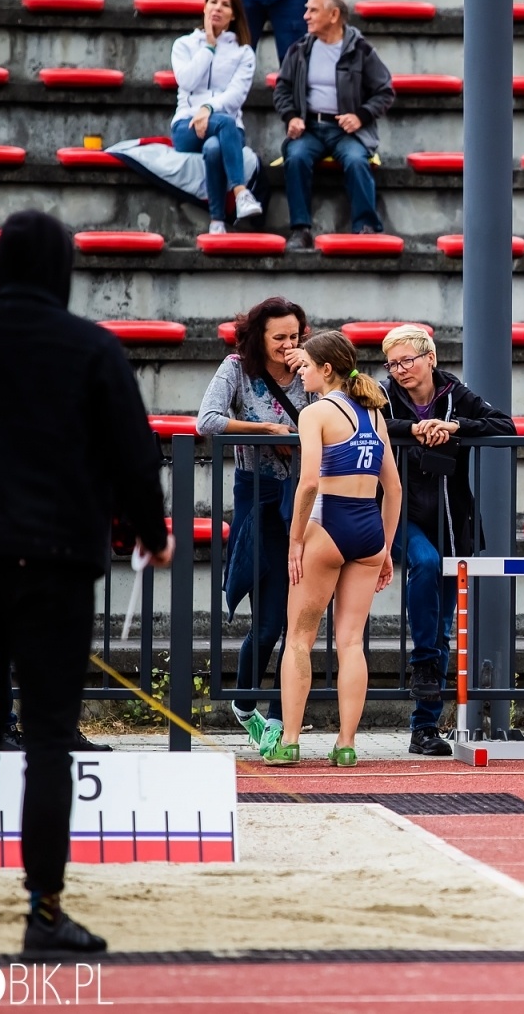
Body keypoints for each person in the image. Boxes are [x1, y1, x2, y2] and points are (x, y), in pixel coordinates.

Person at [0, 210, 173, 955]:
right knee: (49, 737)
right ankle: (44, 913)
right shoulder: (91, 347)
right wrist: (151, 532)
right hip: (56, 563)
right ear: (62, 267)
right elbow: (134, 459)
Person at [265, 331, 402, 766]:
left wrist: (295, 540)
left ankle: (289, 741)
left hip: (328, 526)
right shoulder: (375, 411)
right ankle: (346, 745)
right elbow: (393, 488)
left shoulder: (317, 412)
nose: (298, 371)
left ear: (326, 369)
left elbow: (307, 483)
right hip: (368, 530)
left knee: (300, 640)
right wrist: (387, 548)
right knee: (351, 642)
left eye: (304, 364)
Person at [378, 325, 516, 756]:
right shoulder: (381, 396)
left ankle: (424, 729)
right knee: (422, 561)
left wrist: (453, 426)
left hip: (452, 519)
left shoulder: (456, 392)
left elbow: (505, 425)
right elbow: (366, 420)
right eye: (393, 363)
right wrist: (413, 429)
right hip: (399, 512)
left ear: (430, 358)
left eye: (407, 360)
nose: (400, 370)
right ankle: (422, 667)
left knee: (439, 624)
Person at [197, 297, 311, 754]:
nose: (288, 345)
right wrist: (265, 433)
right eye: (279, 337)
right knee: (266, 623)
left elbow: (344, 409)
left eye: (295, 337)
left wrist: (314, 372)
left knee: (296, 620)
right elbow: (207, 420)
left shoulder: (310, 368)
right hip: (258, 492)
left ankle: (284, 724)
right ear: (258, 337)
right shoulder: (236, 368)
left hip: (305, 494)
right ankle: (246, 706)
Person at [273, 0, 395, 248]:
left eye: (313, 10)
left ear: (334, 14)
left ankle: (365, 227)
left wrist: (361, 116)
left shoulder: (361, 50)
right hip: (310, 128)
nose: (305, 16)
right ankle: (301, 230)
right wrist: (291, 116)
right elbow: (282, 89)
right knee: (295, 157)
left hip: (347, 131)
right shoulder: (300, 49)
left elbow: (385, 92)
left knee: (355, 160)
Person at [170, 0, 262, 234]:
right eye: (213, 2)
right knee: (224, 123)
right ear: (204, 7)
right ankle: (241, 193)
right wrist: (209, 47)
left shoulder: (244, 52)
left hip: (228, 127)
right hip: (186, 126)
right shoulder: (184, 45)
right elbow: (186, 81)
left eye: (225, 4)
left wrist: (208, 108)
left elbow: (236, 96)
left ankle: (217, 221)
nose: (217, 8)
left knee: (214, 146)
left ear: (234, 15)